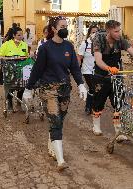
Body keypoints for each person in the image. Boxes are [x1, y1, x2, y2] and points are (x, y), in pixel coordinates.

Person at [26, 16, 87, 171]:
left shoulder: (69, 46)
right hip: (48, 89)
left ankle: (52, 142)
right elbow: (37, 69)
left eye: (66, 25)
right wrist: (29, 88)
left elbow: (74, 67)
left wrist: (81, 84)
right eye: (62, 26)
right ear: (53, 28)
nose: (65, 28)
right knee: (55, 120)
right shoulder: (45, 47)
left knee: (58, 121)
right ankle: (60, 161)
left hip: (65, 89)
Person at [91, 20, 133, 139]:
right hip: (101, 76)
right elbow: (98, 60)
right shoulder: (98, 40)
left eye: (119, 30)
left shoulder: (120, 40)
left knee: (118, 102)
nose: (118, 33)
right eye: (116, 31)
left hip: (117, 75)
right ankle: (96, 125)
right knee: (98, 101)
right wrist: (108, 68)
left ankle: (118, 130)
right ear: (108, 31)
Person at [0, 27, 29, 111]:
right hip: (9, 70)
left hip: (21, 70)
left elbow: (26, 56)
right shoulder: (7, 44)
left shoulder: (24, 45)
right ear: (14, 35)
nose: (21, 37)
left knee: (22, 85)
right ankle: (10, 103)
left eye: (22, 35)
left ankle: (19, 102)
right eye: (19, 35)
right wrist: (6, 59)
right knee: (10, 86)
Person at [77, 25, 98, 115]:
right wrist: (77, 70)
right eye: (93, 32)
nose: (95, 34)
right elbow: (79, 57)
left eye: (97, 32)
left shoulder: (101, 44)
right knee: (93, 88)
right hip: (87, 70)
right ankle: (89, 107)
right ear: (89, 33)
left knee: (95, 89)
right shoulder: (85, 43)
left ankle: (92, 106)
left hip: (97, 70)